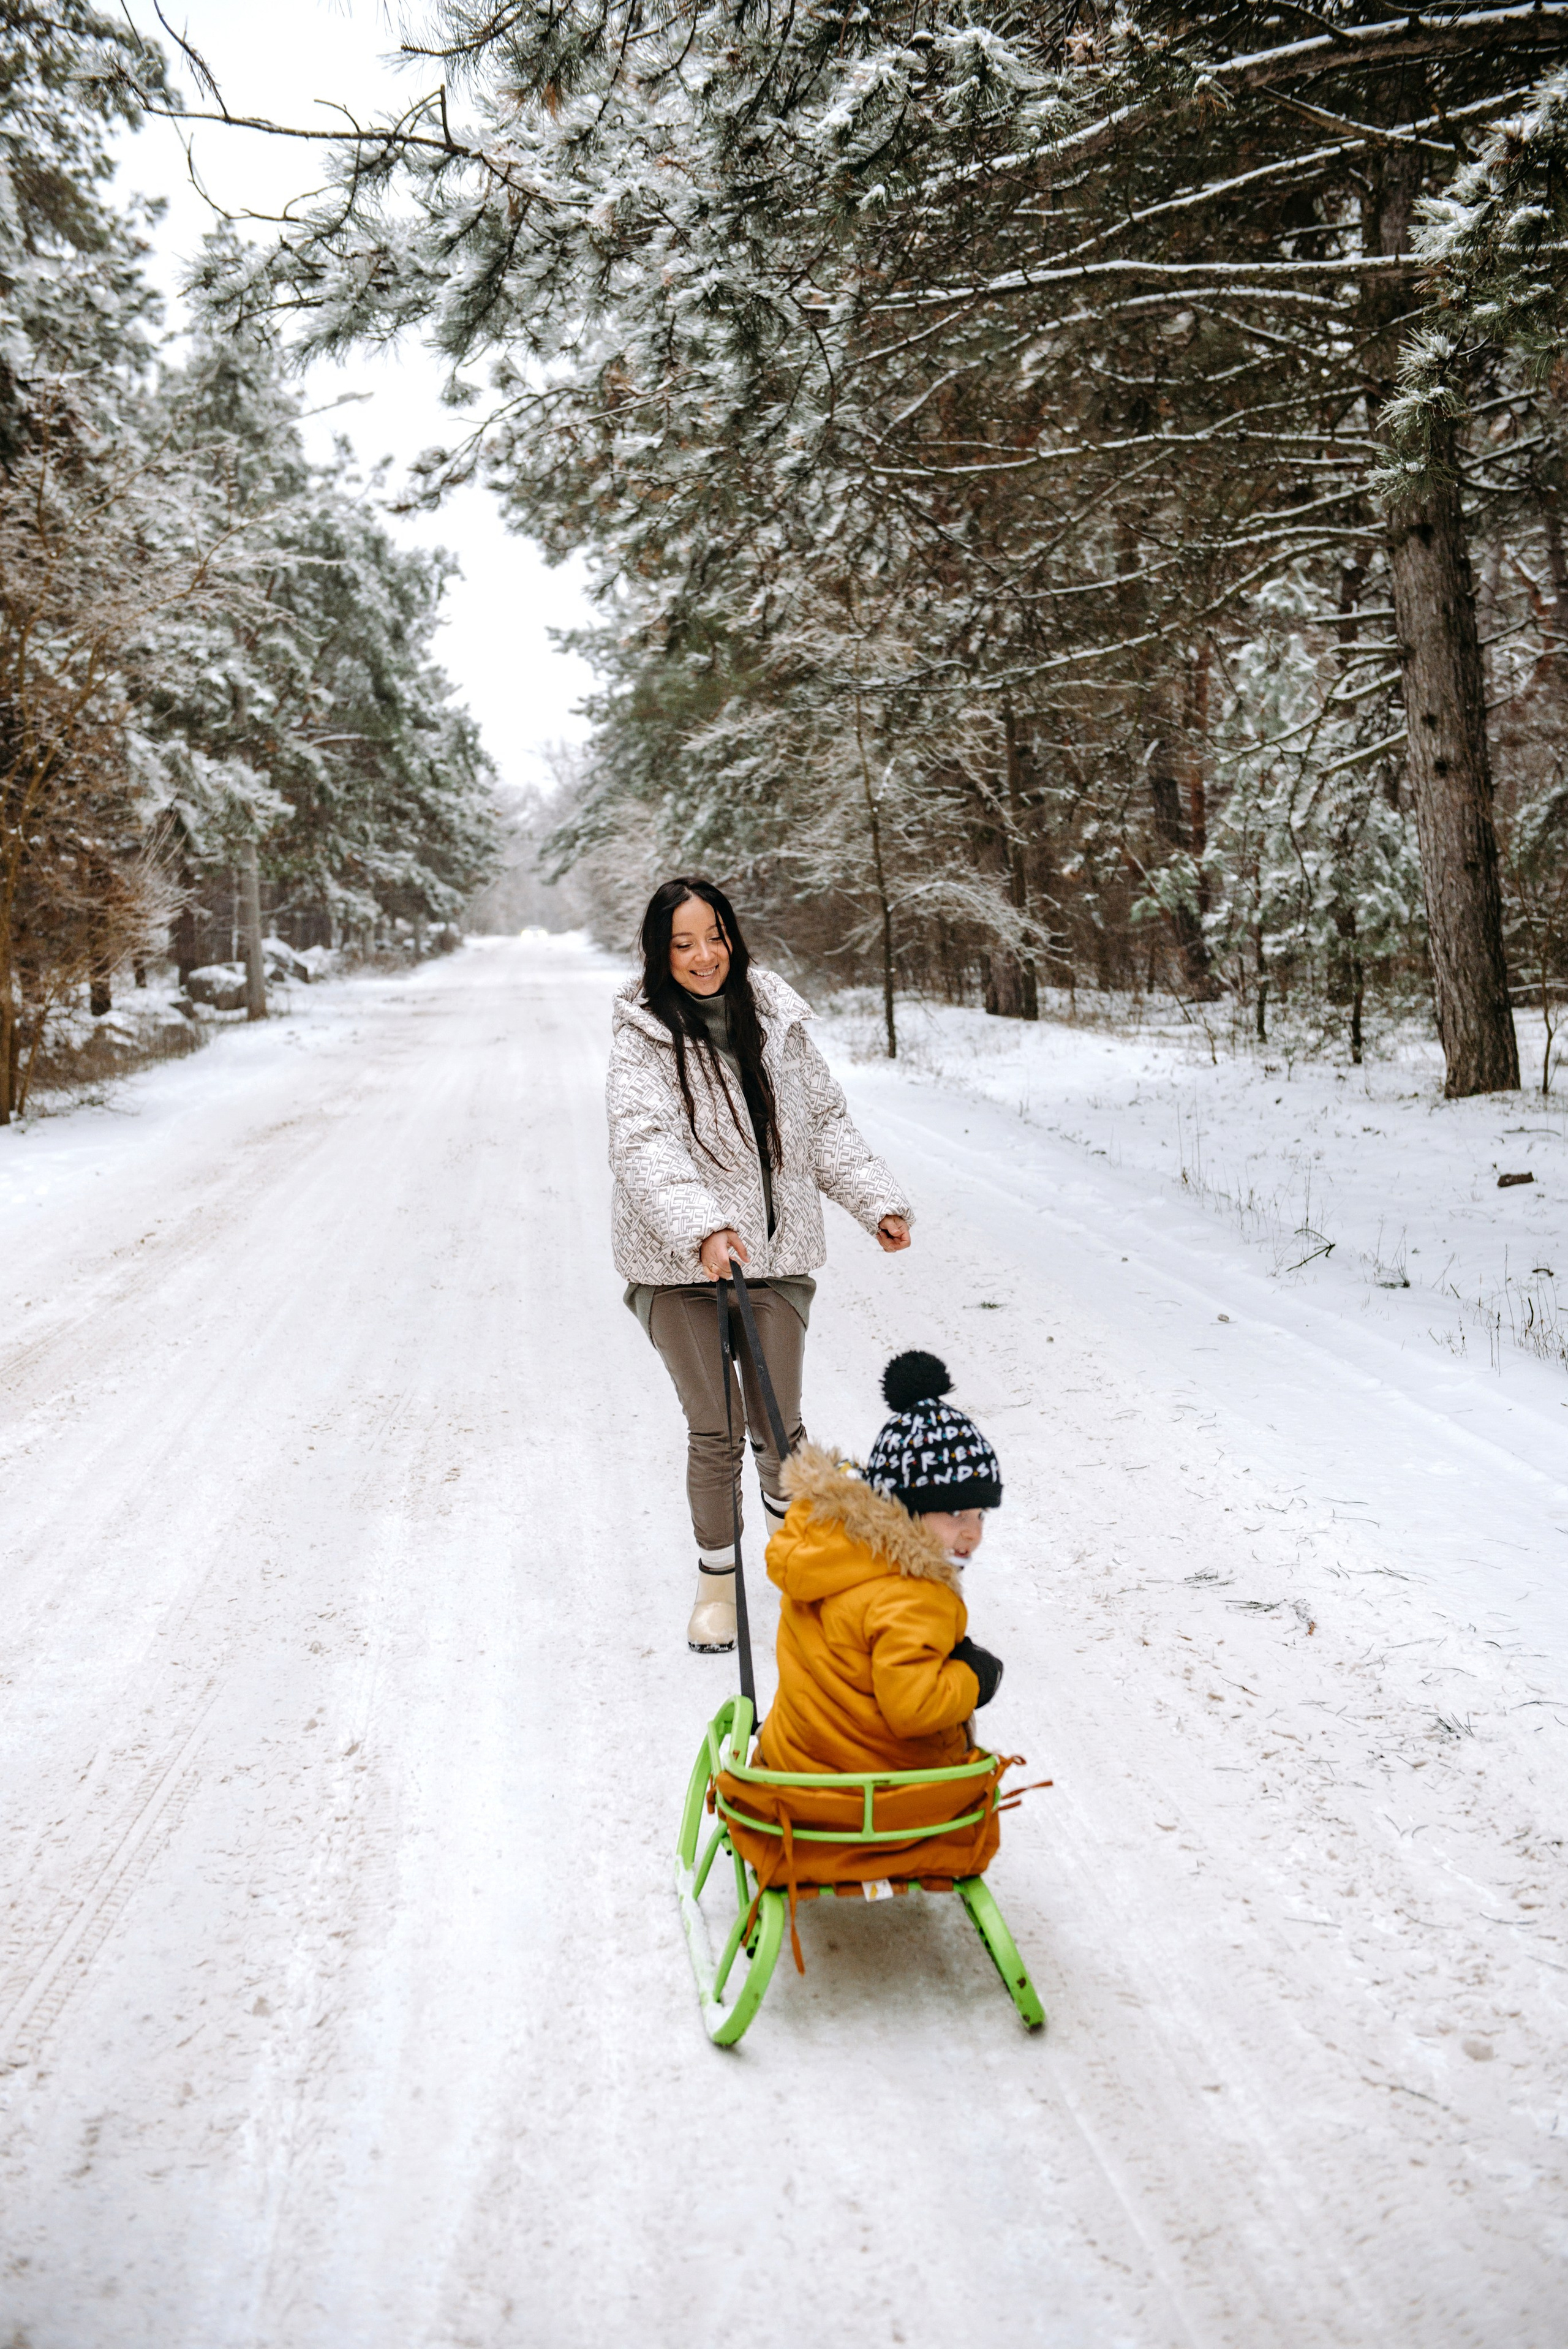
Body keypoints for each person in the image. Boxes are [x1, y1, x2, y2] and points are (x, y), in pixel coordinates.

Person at [609, 875, 913, 1653]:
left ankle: (795, 1565)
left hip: (772, 1261)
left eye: (713, 935)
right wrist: (703, 1228)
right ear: (659, 952)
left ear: (732, 935)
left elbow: (824, 1122)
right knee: (716, 1428)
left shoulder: (775, 1016)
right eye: (682, 943)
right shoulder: (641, 1035)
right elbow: (644, 1148)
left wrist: (874, 1200)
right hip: (678, 1270)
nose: (703, 955)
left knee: (780, 1428)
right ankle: (717, 1587)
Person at [756, 1352, 1005, 1775]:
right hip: (872, 1800)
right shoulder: (913, 1592)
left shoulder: (830, 1550)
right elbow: (915, 1708)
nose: (974, 1532)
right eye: (956, 1514)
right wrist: (974, 1677)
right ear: (906, 1509)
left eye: (980, 1514)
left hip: (795, 1774)